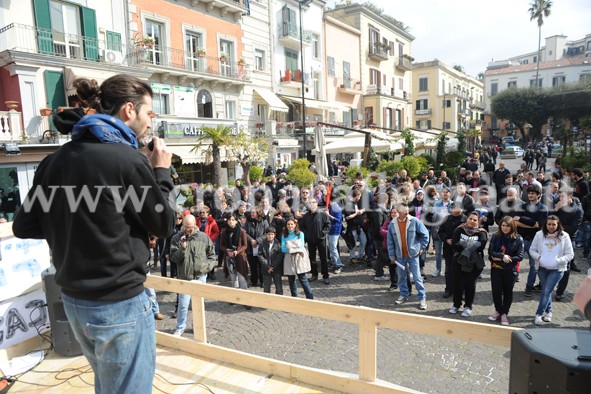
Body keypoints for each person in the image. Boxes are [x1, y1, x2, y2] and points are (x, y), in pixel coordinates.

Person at [12, 74, 175, 393]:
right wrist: (161, 172)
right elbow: (164, 223)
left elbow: (24, 225)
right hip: (119, 303)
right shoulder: (125, 160)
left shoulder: (54, 161)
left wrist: (73, 224)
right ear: (130, 110)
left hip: (75, 301)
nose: (149, 123)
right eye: (148, 114)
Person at [170, 214, 216, 336]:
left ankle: (198, 327)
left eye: (190, 227)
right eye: (185, 227)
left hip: (200, 276)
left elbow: (212, 255)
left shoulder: (203, 237)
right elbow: (173, 258)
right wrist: (182, 249)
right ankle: (180, 327)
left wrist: (207, 267)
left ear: (195, 224)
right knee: (183, 305)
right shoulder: (176, 238)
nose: (188, 229)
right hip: (184, 276)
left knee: (198, 305)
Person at [529, 215, 574, 325]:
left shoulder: (565, 236)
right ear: (546, 224)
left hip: (557, 270)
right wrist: (539, 258)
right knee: (546, 291)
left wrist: (559, 260)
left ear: (558, 225)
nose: (551, 226)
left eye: (554, 224)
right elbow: (532, 249)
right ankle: (549, 312)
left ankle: (539, 314)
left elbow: (570, 254)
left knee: (546, 291)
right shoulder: (539, 235)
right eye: (549, 224)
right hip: (542, 268)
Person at [387, 203, 430, 310]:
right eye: (404, 210)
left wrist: (421, 248)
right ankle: (404, 295)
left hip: (413, 255)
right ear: (398, 211)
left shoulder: (414, 221)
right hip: (400, 256)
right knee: (401, 277)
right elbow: (390, 242)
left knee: (417, 277)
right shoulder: (392, 224)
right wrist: (392, 256)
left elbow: (425, 234)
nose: (407, 212)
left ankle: (422, 298)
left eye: (407, 210)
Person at [449, 211, 488, 317]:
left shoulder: (482, 232)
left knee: (470, 285)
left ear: (478, 221)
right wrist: (471, 245)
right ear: (467, 219)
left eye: (475, 220)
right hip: (458, 261)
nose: (472, 221)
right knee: (457, 284)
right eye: (470, 218)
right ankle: (456, 305)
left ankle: (468, 306)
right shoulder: (459, 229)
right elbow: (455, 244)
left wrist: (463, 244)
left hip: (474, 263)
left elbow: (481, 245)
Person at [487, 217, 524, 326]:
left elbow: (520, 256)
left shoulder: (518, 239)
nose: (505, 228)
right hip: (496, 269)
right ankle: (498, 310)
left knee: (508, 292)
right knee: (496, 291)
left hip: (510, 270)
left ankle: (504, 313)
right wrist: (502, 256)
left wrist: (507, 259)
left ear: (512, 226)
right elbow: (491, 251)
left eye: (508, 226)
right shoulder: (495, 236)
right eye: (503, 225)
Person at [516, 184, 549, 297]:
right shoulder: (522, 206)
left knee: (533, 266)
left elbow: (538, 225)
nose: (530, 195)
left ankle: (529, 287)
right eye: (529, 193)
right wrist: (531, 224)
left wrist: (521, 219)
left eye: (533, 193)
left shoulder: (543, 208)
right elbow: (515, 222)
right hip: (520, 239)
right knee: (513, 262)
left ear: (538, 195)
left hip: (535, 241)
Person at [300, 197, 331, 284]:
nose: (311, 204)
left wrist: (322, 234)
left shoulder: (322, 214)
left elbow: (328, 225)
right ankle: (314, 274)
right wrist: (307, 235)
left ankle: (325, 276)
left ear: (316, 203)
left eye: (313, 202)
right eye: (310, 203)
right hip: (311, 240)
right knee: (312, 258)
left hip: (321, 239)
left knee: (323, 258)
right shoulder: (306, 216)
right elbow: (302, 227)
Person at [281, 218, 314, 299]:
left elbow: (301, 246)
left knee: (303, 279)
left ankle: (310, 297)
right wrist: (294, 247)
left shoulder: (300, 234)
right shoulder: (284, 236)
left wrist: (289, 246)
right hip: (289, 258)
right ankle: (294, 298)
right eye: (288, 224)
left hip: (299, 258)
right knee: (291, 280)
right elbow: (283, 248)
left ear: (295, 225)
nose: (290, 226)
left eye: (291, 224)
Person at [220, 214, 250, 292]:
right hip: (229, 257)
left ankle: (244, 298)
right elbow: (221, 245)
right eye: (229, 220)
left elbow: (245, 245)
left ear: (236, 221)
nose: (231, 222)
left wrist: (238, 251)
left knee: (241, 277)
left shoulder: (242, 231)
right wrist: (227, 250)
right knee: (233, 279)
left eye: (233, 220)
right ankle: (235, 298)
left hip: (239, 256)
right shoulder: (224, 232)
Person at [244, 206, 269, 287]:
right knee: (252, 265)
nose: (251, 214)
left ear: (258, 213)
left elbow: (267, 233)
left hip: (261, 247)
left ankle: (263, 281)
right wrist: (251, 240)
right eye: (251, 212)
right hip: (250, 247)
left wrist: (257, 241)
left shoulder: (264, 221)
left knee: (261, 264)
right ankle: (253, 281)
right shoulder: (248, 221)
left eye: (253, 212)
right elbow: (244, 232)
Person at [258, 226, 284, 295]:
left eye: (272, 234)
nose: (270, 236)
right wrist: (267, 266)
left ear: (274, 235)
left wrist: (273, 267)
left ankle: (279, 302)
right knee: (266, 288)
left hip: (276, 269)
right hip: (266, 269)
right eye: (268, 234)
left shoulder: (278, 243)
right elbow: (260, 255)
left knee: (279, 288)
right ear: (266, 235)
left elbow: (279, 256)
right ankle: (267, 304)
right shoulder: (262, 244)